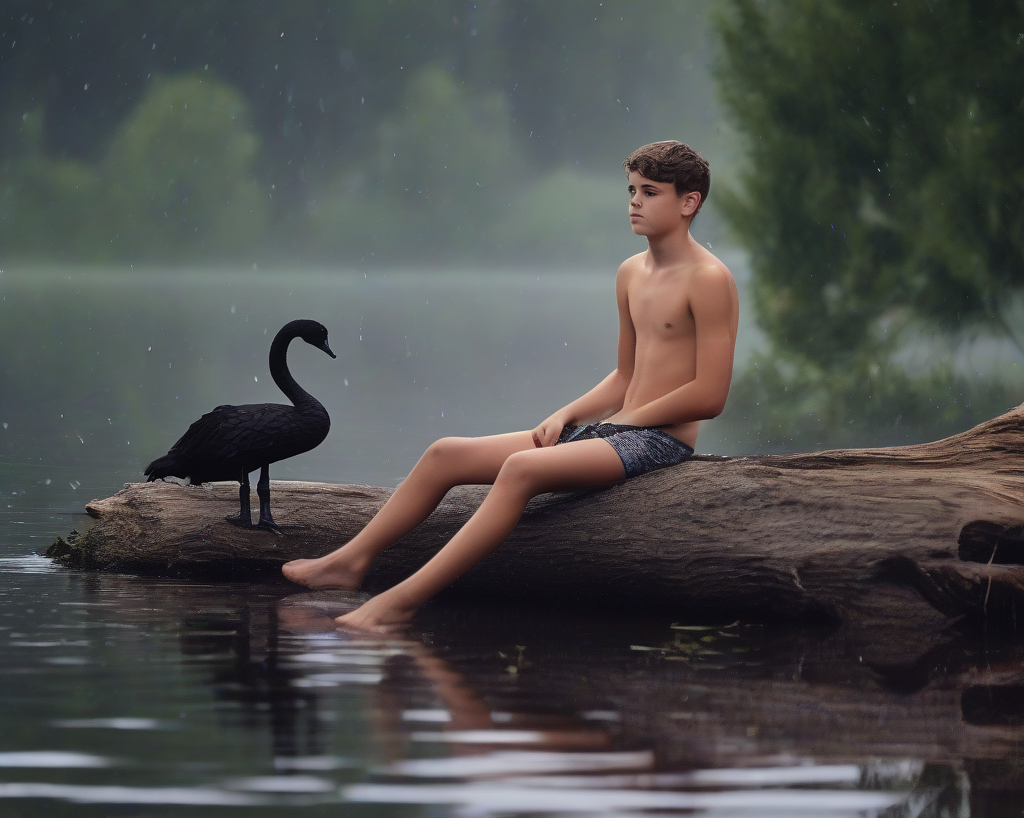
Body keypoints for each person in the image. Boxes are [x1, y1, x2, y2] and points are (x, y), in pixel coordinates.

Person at [283, 140, 739, 633]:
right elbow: (626, 376)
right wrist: (567, 414)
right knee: (445, 453)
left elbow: (709, 395)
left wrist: (623, 422)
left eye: (650, 192)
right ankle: (349, 561)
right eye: (631, 190)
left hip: (659, 441)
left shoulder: (709, 279)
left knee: (521, 469)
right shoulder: (631, 272)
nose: (634, 202)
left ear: (688, 202)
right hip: (613, 430)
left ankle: (401, 602)